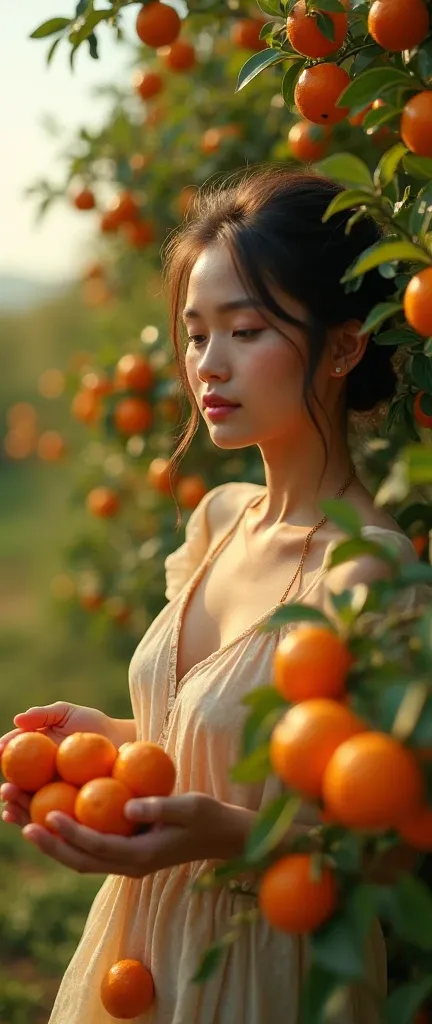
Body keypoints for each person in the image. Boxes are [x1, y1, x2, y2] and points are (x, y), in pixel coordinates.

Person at [0, 167, 422, 1023]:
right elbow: (213, 745)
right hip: (134, 956)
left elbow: (393, 849)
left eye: (246, 329)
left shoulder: (369, 576)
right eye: (195, 335)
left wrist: (231, 838)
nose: (208, 365)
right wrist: (112, 742)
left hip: (270, 973)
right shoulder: (217, 522)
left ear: (343, 347)